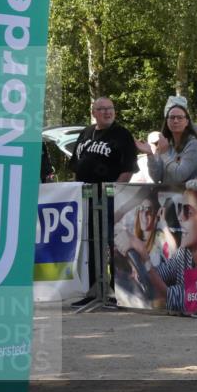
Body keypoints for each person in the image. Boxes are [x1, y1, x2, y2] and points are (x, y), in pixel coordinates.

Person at [69, 96, 139, 307]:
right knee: (89, 243)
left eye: (110, 108)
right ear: (94, 112)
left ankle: (118, 292)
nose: (108, 112)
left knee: (112, 243)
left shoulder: (122, 134)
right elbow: (76, 165)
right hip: (87, 197)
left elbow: (128, 169)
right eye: (102, 109)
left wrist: (114, 193)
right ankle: (94, 290)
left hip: (110, 198)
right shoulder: (86, 133)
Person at [126, 189, 197, 313]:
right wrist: (140, 269)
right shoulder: (184, 254)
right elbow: (160, 274)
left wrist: (144, 259)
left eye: (188, 211)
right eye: (179, 209)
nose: (180, 217)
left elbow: (171, 297)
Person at [140, 96, 197, 186]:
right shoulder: (165, 143)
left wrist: (165, 153)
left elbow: (180, 176)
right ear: (167, 121)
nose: (176, 121)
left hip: (189, 197)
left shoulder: (194, 144)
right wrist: (150, 155)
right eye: (172, 117)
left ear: (187, 121)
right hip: (166, 197)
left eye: (180, 117)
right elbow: (156, 178)